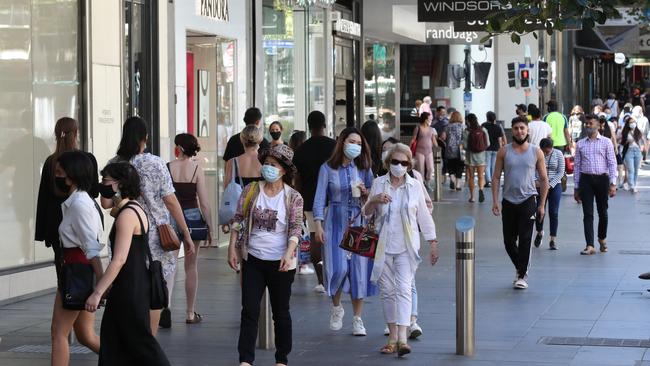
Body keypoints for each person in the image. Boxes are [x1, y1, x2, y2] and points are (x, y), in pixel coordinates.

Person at [110, 116, 194, 332]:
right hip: (156, 233)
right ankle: (148, 334)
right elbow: (170, 200)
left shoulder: (115, 164)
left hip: (125, 230)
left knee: (129, 280)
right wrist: (185, 232)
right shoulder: (155, 163)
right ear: (145, 138)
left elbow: (107, 203)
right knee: (154, 282)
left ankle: (131, 329)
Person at [85, 162, 171, 366]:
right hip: (134, 285)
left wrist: (98, 292)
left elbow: (119, 259)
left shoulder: (127, 215)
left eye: (106, 181)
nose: (102, 185)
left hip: (129, 288)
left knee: (139, 344)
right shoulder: (135, 209)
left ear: (119, 184)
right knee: (116, 342)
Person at [227, 144, 304, 366]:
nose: (268, 168)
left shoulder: (293, 197)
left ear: (283, 170)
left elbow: (295, 228)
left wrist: (288, 253)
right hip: (253, 259)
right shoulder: (251, 190)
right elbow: (238, 219)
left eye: (273, 165)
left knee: (280, 312)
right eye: (266, 164)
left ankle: (281, 359)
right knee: (249, 310)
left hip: (281, 261)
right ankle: (245, 360)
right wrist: (232, 247)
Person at [363, 143, 438, 357]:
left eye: (404, 162)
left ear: (409, 164)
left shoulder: (414, 185)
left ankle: (403, 338)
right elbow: (366, 213)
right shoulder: (379, 183)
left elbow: (424, 214)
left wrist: (432, 242)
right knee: (387, 292)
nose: (399, 165)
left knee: (404, 289)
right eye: (395, 162)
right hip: (382, 247)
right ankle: (393, 336)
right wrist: (374, 199)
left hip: (407, 246)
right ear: (388, 163)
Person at [313, 127, 377, 336]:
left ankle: (358, 319)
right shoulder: (327, 169)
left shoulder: (364, 168)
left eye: (359, 144)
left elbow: (372, 199)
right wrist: (318, 225)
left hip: (359, 222)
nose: (355, 147)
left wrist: (367, 194)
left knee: (359, 272)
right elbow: (320, 198)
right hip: (335, 222)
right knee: (337, 268)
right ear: (342, 142)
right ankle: (337, 307)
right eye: (352, 142)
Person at [51, 151, 104, 366]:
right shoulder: (78, 202)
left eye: (60, 172)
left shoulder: (79, 205)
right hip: (76, 272)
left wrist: (101, 282)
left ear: (72, 175)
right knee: (85, 335)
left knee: (58, 333)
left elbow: (91, 246)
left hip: (77, 273)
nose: (57, 176)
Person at [491, 116, 549, 289]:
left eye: (522, 128)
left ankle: (522, 275)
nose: (519, 131)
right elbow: (495, 178)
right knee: (508, 241)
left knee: (525, 239)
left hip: (528, 200)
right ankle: (520, 266)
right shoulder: (504, 151)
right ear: (512, 130)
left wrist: (542, 204)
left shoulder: (536, 151)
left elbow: (544, 179)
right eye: (516, 128)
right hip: (508, 201)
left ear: (527, 130)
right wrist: (495, 201)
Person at [168, 133, 213, 324]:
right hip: (193, 218)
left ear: (179, 147)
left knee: (169, 266)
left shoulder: (168, 167)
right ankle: (189, 313)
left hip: (171, 217)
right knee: (191, 266)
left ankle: (165, 308)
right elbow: (204, 202)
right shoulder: (197, 169)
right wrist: (209, 226)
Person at [293, 111, 337, 294]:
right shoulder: (334, 146)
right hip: (334, 200)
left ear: (309, 126)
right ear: (324, 124)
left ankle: (321, 280)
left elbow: (298, 179)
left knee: (315, 239)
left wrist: (299, 202)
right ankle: (335, 276)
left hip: (310, 200)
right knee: (334, 237)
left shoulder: (302, 150)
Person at [573, 114, 618, 255]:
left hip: (602, 180)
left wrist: (613, 183)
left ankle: (602, 238)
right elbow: (577, 166)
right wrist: (576, 187)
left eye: (590, 123)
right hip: (586, 180)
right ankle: (590, 245)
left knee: (603, 213)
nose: (588, 126)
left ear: (598, 125)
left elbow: (612, 163)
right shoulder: (580, 144)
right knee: (588, 213)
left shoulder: (606, 142)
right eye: (586, 124)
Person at [533, 138, 565, 250]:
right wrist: (535, 180)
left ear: (552, 148)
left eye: (548, 151)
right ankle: (540, 232)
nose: (546, 153)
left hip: (554, 185)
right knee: (539, 210)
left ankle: (552, 239)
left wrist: (550, 184)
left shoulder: (558, 154)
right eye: (544, 151)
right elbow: (532, 169)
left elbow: (561, 172)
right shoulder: (536, 153)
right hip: (539, 185)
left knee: (554, 212)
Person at [462, 113, 490, 203]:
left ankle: (472, 197)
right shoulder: (483, 130)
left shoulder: (466, 131)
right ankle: (481, 189)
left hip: (470, 157)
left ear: (468, 121)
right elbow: (488, 144)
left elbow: (465, 145)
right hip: (481, 157)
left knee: (471, 177)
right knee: (481, 176)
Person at [412, 112, 438, 184]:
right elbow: (413, 139)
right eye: (430, 118)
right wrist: (409, 149)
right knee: (420, 169)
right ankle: (421, 183)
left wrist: (437, 148)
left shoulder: (432, 129)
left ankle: (428, 181)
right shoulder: (418, 128)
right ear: (425, 119)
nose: (431, 120)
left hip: (429, 151)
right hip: (419, 151)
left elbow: (434, 140)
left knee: (430, 169)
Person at [620, 116, 645, 193]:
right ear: (628, 124)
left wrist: (642, 149)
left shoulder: (639, 131)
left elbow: (642, 141)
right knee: (631, 170)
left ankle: (634, 185)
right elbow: (622, 143)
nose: (632, 124)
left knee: (636, 170)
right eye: (630, 122)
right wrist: (627, 141)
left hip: (637, 151)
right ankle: (631, 185)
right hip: (629, 151)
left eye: (633, 122)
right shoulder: (625, 132)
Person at [482, 111, 506, 187]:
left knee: (487, 165)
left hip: (487, 148)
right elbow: (500, 139)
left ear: (487, 117)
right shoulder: (497, 127)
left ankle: (488, 181)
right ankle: (493, 180)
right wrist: (501, 148)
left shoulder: (483, 126)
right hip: (496, 148)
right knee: (494, 165)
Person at [445, 111, 465, 191]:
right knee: (460, 166)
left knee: (451, 166)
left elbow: (443, 137)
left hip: (449, 149)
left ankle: (452, 179)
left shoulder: (447, 127)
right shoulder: (463, 127)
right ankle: (458, 185)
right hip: (460, 150)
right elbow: (465, 138)